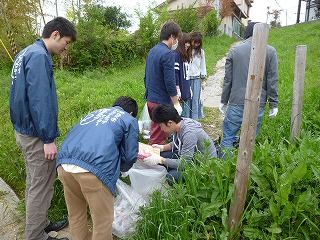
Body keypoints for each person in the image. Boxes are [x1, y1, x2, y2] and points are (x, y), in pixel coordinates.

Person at [10, 17, 77, 240]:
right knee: (41, 184)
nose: (66, 47)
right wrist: (48, 138)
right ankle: (36, 235)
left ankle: (41, 222)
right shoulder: (39, 56)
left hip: (24, 128)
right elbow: (40, 100)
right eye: (66, 42)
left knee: (35, 181)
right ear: (55, 34)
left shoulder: (25, 52)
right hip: (36, 133)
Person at [56, 96, 139, 240]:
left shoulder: (95, 113)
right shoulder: (128, 119)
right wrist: (121, 169)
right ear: (131, 113)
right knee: (102, 222)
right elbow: (130, 156)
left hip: (64, 165)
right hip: (93, 171)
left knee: (76, 213)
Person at [219, 22, 279, 153]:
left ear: (247, 33)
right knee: (250, 139)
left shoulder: (235, 51)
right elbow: (272, 80)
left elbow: (228, 79)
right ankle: (246, 169)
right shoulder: (270, 51)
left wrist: (224, 101)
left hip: (236, 101)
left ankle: (223, 170)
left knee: (228, 137)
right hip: (258, 102)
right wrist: (274, 104)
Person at [142, 104, 217, 183]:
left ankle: (190, 186)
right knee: (161, 154)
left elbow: (184, 163)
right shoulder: (180, 123)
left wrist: (161, 160)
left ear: (169, 123)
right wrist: (161, 147)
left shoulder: (189, 133)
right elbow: (178, 143)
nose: (161, 129)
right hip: (191, 157)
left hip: (203, 167)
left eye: (161, 126)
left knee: (172, 177)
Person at [144, 21, 183, 145]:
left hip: (150, 99)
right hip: (160, 103)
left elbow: (146, 77)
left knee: (159, 134)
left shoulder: (152, 51)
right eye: (176, 39)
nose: (176, 43)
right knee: (158, 139)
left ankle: (158, 160)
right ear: (172, 37)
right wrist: (176, 102)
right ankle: (152, 162)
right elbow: (170, 81)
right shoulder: (168, 54)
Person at [188, 31, 207, 120]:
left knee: (195, 99)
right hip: (187, 79)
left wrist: (203, 79)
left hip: (196, 79)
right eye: (195, 42)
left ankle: (194, 119)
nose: (196, 44)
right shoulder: (186, 50)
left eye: (198, 42)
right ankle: (187, 118)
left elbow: (203, 65)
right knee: (188, 99)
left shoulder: (201, 52)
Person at [174, 32, 192, 117]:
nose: (188, 45)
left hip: (185, 93)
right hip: (180, 95)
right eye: (186, 42)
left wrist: (189, 89)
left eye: (189, 43)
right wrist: (177, 89)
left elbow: (187, 75)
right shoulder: (176, 55)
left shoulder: (185, 57)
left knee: (184, 118)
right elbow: (175, 74)